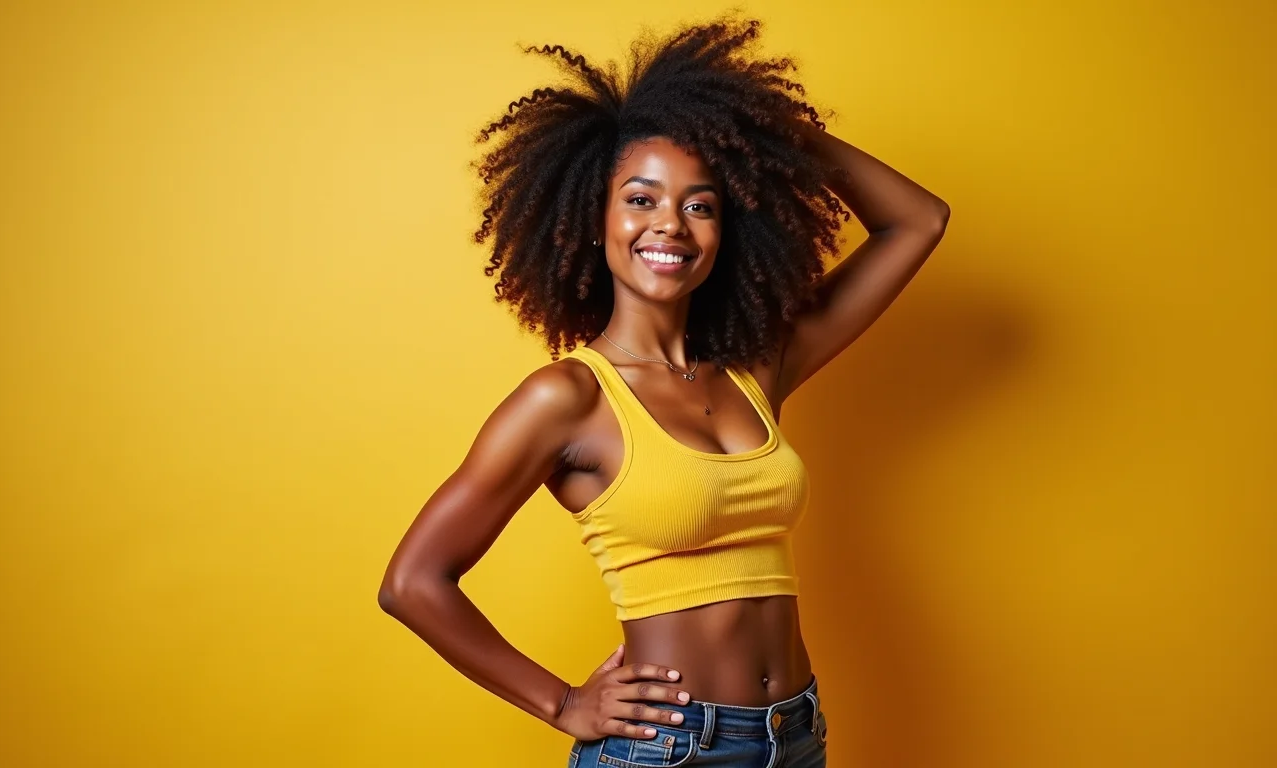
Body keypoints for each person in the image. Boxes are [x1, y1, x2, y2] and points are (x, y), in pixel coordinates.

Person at [378, 15, 948, 767]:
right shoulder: (569, 398)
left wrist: (769, 132)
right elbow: (413, 582)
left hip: (795, 736)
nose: (670, 224)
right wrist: (560, 703)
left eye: (700, 203)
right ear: (595, 218)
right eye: (641, 199)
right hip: (668, 750)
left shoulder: (756, 368)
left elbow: (917, 221)